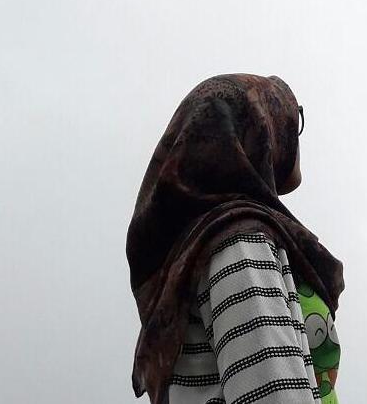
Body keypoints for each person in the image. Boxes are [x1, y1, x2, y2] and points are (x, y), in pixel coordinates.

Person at [127, 74, 344, 404]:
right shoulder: (238, 242)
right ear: (256, 124)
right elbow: (273, 394)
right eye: (290, 117)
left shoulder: (205, 244)